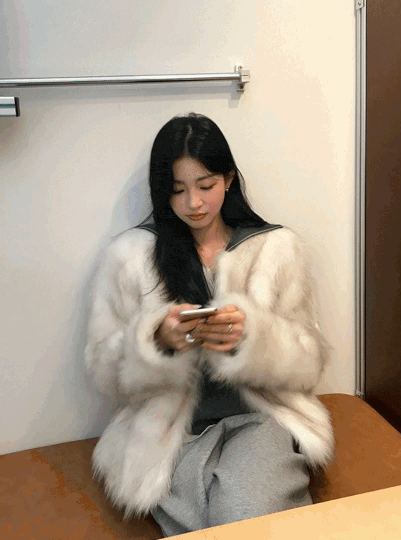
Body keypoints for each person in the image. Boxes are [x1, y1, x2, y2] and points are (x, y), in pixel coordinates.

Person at [85, 112, 333, 536]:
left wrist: (252, 337)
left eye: (205, 185)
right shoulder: (130, 256)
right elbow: (102, 370)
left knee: (243, 511)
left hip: (259, 419)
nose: (193, 203)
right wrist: (156, 340)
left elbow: (309, 360)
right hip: (170, 434)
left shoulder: (275, 249)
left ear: (229, 179)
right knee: (215, 523)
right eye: (177, 190)